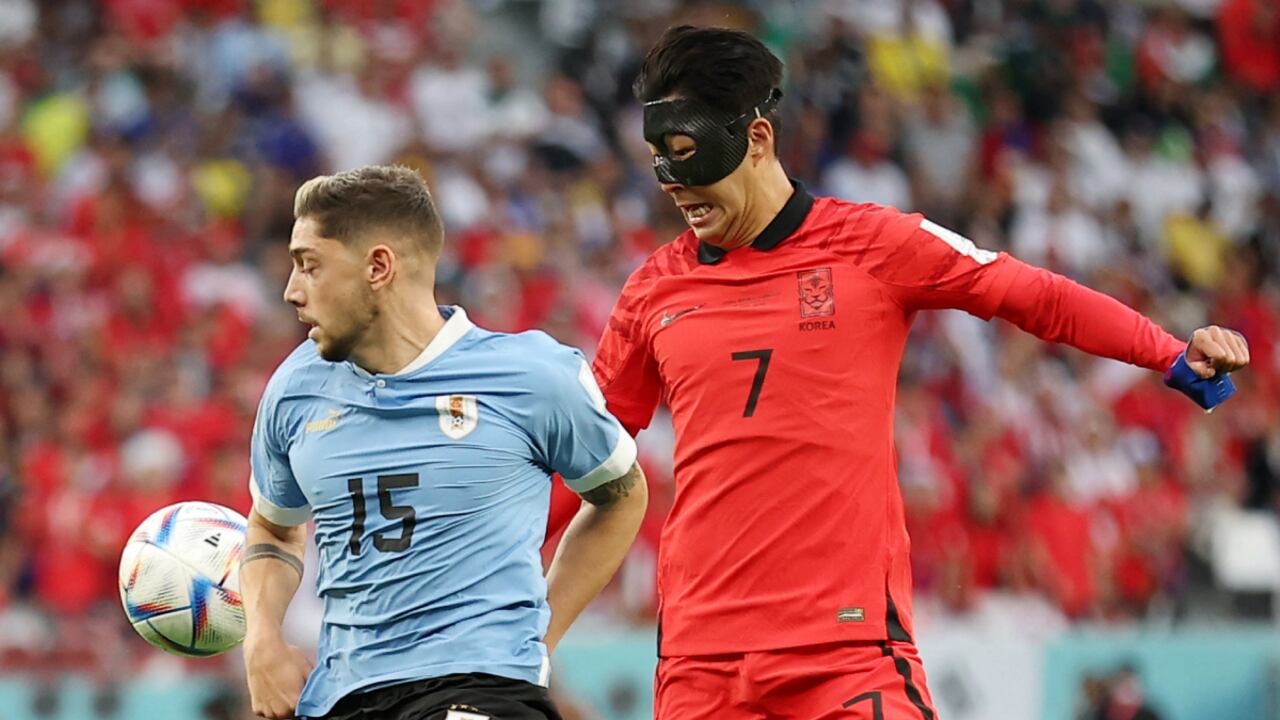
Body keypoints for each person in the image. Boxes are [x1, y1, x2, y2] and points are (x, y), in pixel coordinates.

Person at [589, 25, 1250, 719]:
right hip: (700, 662)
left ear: (756, 138)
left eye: (690, 157)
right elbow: (589, 457)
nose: (674, 185)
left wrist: (1171, 353)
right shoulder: (652, 289)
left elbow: (1033, 296)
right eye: (660, 160)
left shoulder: (872, 243)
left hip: (844, 654)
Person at [239, 165, 647, 720]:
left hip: (479, 689)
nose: (292, 291)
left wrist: (535, 639)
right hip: (340, 695)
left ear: (378, 267)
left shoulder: (530, 376)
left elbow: (621, 494)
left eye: (310, 266)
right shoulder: (294, 390)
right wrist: (261, 641)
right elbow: (273, 527)